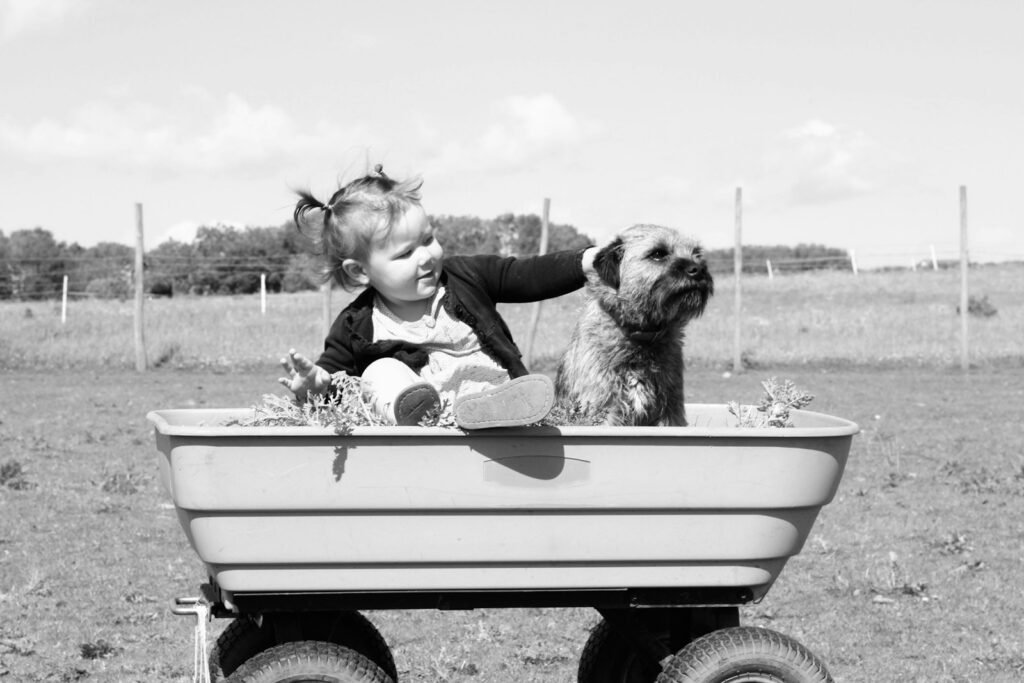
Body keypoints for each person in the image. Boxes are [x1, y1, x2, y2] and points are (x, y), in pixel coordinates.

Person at [279, 165, 597, 429]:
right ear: (360, 272)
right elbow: (336, 382)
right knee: (378, 373)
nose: (426, 256)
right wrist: (315, 387)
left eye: (428, 239)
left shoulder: (467, 276)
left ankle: (503, 409)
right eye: (405, 253)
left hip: (495, 402)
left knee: (496, 394)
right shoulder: (356, 325)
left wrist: (588, 261)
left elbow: (528, 275)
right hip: (427, 428)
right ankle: (418, 413)